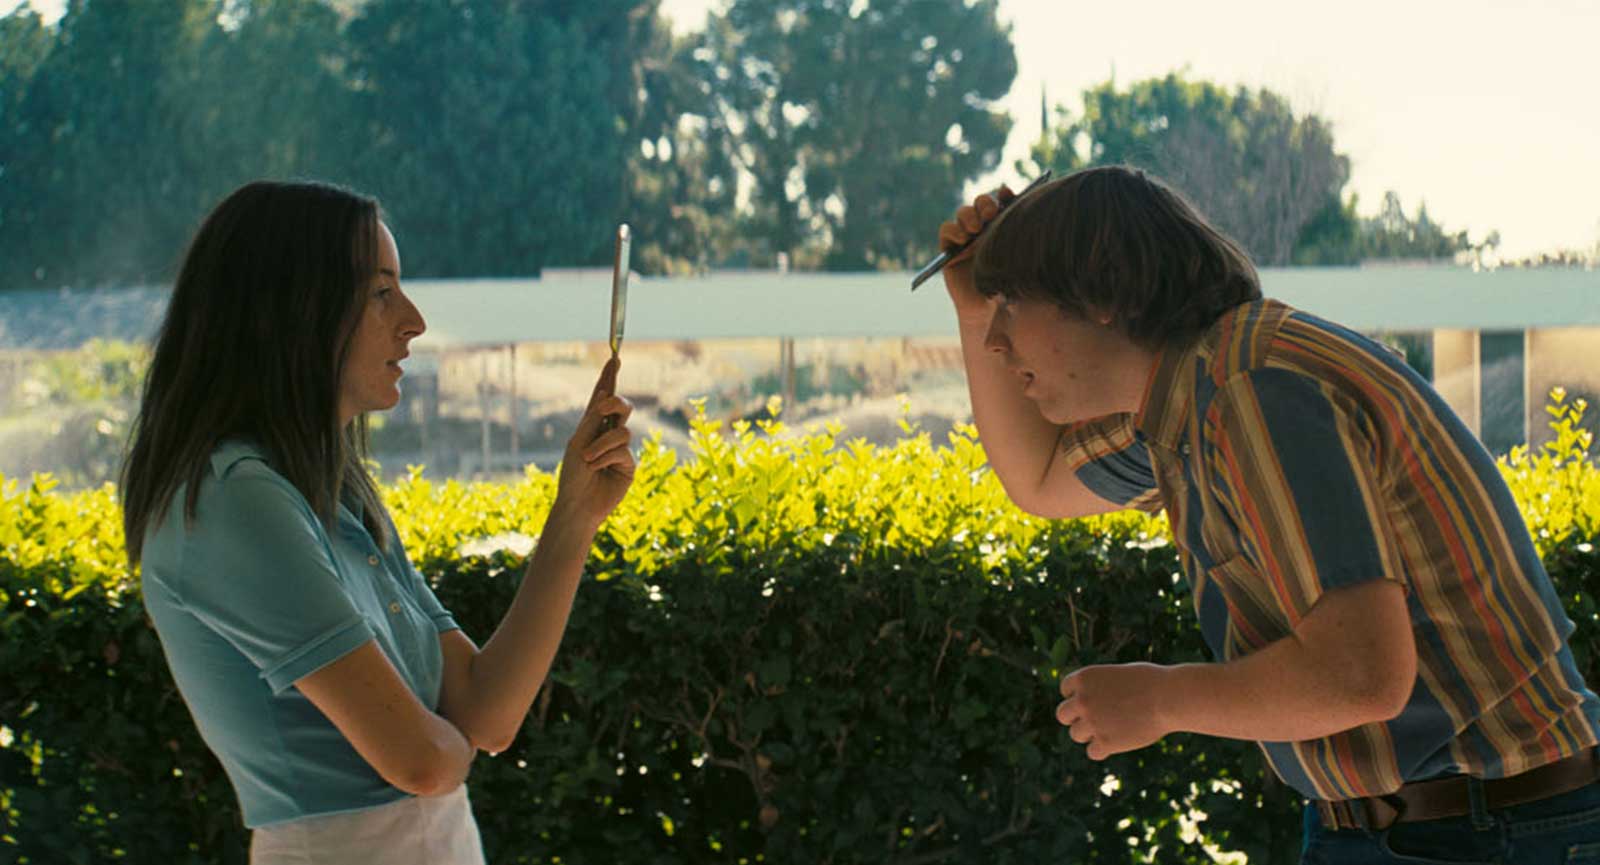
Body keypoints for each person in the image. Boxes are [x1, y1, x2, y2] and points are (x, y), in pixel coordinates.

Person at [936, 164, 1600, 862]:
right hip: (1440, 823)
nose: (996, 341)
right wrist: (971, 306)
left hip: (1480, 830)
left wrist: (1161, 701)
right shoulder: (1193, 397)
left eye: (1011, 303)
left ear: (1100, 290)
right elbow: (1041, 479)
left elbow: (1362, 675)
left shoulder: (1251, 390)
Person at [120, 180, 635, 864]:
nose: (414, 321)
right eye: (381, 293)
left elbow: (486, 712)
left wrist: (576, 514)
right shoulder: (233, 499)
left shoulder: (330, 494)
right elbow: (423, 760)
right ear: (291, 310)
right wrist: (449, 749)